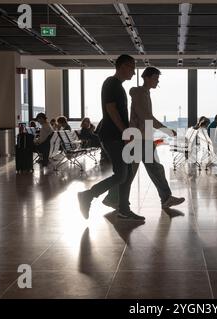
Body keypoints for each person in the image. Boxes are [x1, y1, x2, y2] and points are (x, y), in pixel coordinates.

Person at [102, 66, 185, 210]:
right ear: (146, 77)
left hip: (143, 138)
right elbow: (146, 117)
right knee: (132, 172)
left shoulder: (143, 93)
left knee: (151, 169)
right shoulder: (140, 93)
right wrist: (166, 130)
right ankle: (112, 198)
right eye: (155, 78)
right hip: (138, 139)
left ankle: (165, 198)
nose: (157, 81)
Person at [77, 54, 142, 221]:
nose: (133, 72)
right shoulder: (111, 83)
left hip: (117, 136)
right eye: (132, 68)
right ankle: (88, 195)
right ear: (122, 66)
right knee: (121, 174)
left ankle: (123, 209)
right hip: (113, 136)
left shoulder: (117, 85)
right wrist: (125, 132)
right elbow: (111, 109)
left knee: (125, 173)